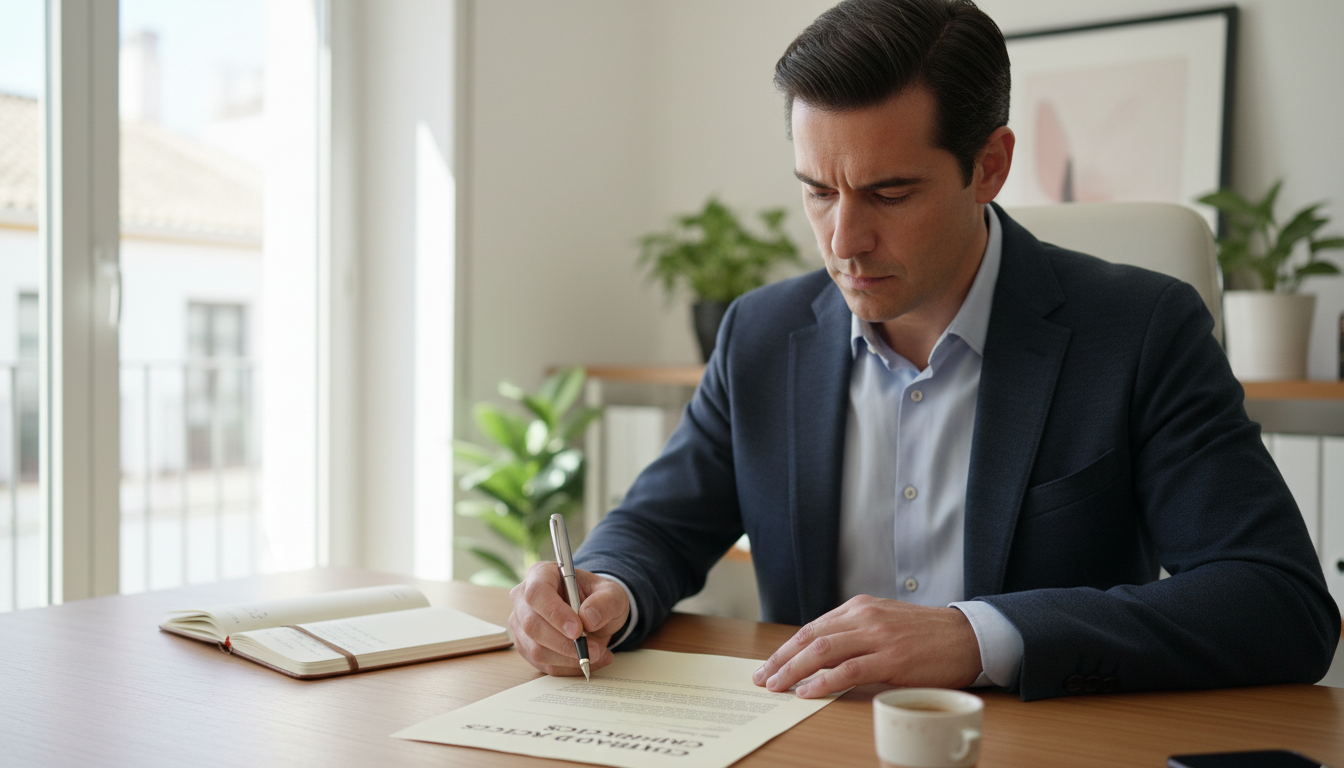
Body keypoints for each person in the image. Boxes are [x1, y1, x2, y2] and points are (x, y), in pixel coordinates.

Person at [507, 0, 1340, 701]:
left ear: (990, 166)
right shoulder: (761, 333)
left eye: (889, 192)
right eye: (817, 190)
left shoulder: (1141, 329)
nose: (845, 240)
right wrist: (603, 589)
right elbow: (657, 526)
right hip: (808, 741)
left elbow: (1279, 603)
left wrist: (975, 638)